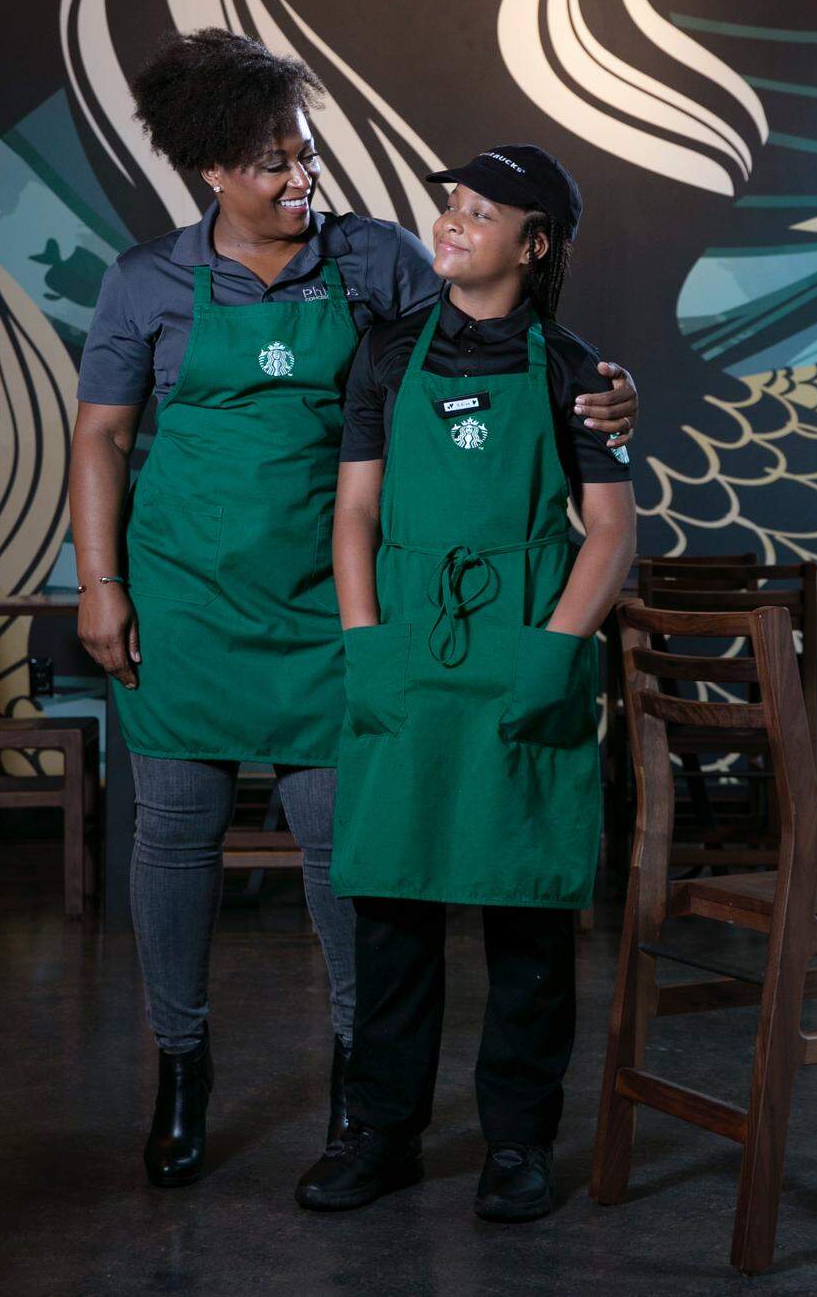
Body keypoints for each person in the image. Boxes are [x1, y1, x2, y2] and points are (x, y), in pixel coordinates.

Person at [70, 37, 639, 1190]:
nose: (302, 178)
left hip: (336, 610)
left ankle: (361, 1091)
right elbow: (103, 436)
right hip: (182, 601)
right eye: (273, 162)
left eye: (307, 154)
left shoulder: (374, 259)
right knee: (173, 837)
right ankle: (180, 1066)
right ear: (211, 170)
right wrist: (100, 580)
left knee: (354, 855)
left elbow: (483, 340)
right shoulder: (145, 280)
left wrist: (611, 392)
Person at [295, 145, 636, 1222]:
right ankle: (380, 1134)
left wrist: (555, 650)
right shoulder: (386, 354)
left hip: (525, 647)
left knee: (526, 913)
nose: (451, 221)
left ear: (535, 244)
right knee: (392, 908)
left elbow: (612, 530)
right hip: (407, 647)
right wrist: (365, 640)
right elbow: (355, 510)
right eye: (450, 203)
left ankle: (518, 1143)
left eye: (481, 211)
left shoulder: (577, 370)